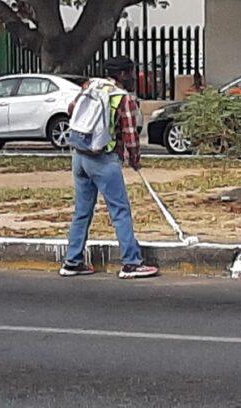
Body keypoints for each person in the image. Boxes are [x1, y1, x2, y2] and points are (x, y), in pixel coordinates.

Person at [60, 56, 159, 279]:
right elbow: (130, 135)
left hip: (79, 156)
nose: (133, 77)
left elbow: (71, 110)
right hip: (104, 159)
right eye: (131, 73)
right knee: (120, 211)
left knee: (82, 211)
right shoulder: (123, 98)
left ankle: (72, 261)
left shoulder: (91, 85)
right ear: (123, 74)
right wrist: (135, 160)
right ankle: (131, 263)